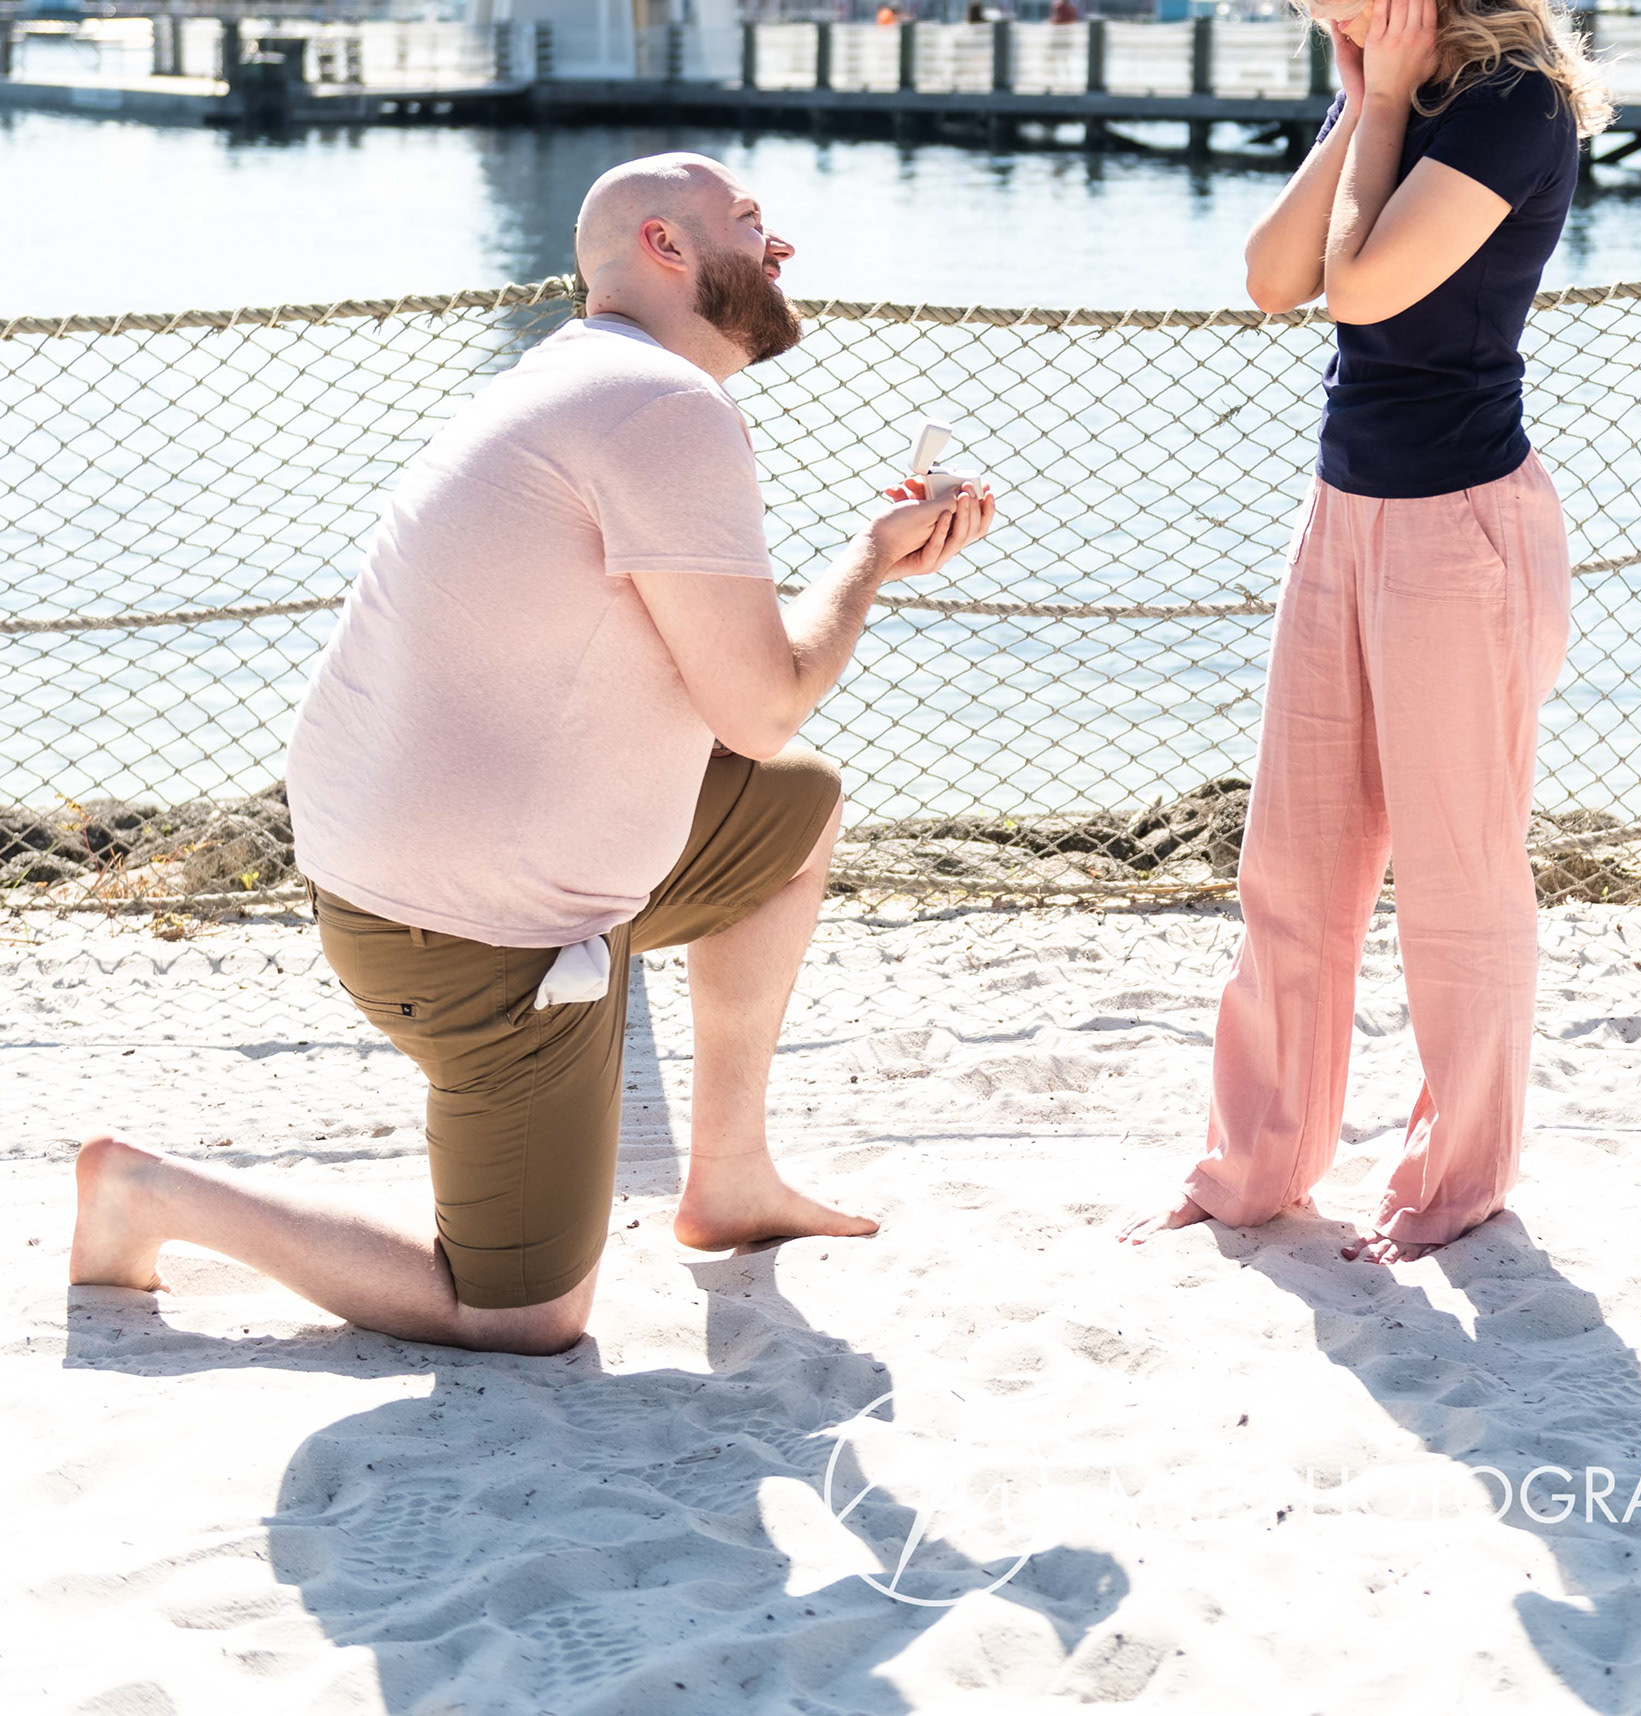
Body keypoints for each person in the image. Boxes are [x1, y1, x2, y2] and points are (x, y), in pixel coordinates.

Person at [71, 154, 994, 1352]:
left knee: (794, 811)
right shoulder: (666, 408)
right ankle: (152, 1193)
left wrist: (873, 554)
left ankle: (730, 1175)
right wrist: (871, 560)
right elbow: (762, 706)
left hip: (402, 864)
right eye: (752, 222)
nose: (783, 248)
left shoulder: (579, 376)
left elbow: (745, 726)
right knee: (524, 1315)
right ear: (666, 247)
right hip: (472, 932)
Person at [1128, 0, 1610, 1265]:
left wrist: (1387, 103)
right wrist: (1364, 103)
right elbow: (1274, 277)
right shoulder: (1391, 92)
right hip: (1345, 515)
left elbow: (1366, 291)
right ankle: (1257, 1165)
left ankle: (1455, 1181)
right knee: (1296, 865)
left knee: (1460, 880)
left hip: (1462, 530)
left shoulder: (1515, 101)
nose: (1327, 12)